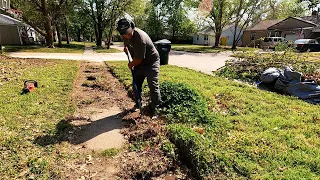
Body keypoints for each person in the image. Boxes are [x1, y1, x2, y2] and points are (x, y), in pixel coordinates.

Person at [116, 18, 161, 115]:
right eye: (124, 34)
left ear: (132, 27)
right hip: (139, 63)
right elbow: (124, 39)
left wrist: (130, 64)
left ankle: (155, 108)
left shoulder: (140, 38)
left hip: (150, 62)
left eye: (128, 33)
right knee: (136, 84)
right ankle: (138, 103)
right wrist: (125, 47)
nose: (127, 35)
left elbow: (138, 60)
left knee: (153, 85)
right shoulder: (124, 34)